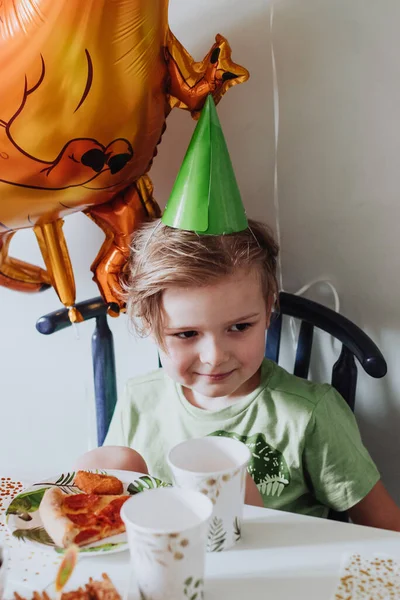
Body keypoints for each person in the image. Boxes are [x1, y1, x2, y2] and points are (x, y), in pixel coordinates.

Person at [75, 97, 400, 529]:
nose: (214, 356)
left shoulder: (309, 415)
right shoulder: (140, 401)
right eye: (186, 334)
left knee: (237, 494)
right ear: (153, 330)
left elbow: (384, 529)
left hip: (277, 579)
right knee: (114, 461)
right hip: (167, 579)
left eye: (239, 327)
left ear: (268, 311)